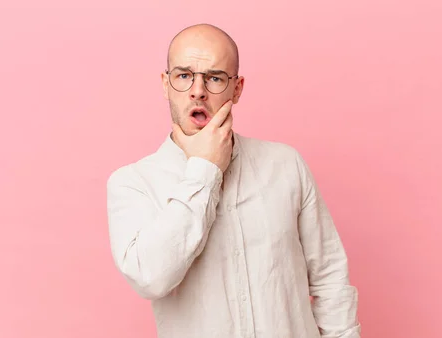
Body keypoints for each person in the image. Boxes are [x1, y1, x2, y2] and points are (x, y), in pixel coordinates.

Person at [106, 23, 361, 338]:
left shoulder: (285, 165)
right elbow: (150, 278)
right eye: (184, 76)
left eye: (214, 78)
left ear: (237, 88)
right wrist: (205, 169)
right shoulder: (133, 184)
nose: (198, 90)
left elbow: (329, 278)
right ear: (165, 84)